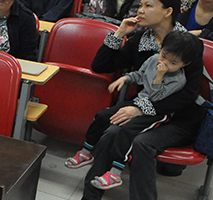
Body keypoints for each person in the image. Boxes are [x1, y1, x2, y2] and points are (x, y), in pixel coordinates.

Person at [76, 0, 203, 200]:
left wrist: (140, 108)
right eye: (140, 5)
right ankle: (91, 194)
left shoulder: (188, 45)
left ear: (168, 11)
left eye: (148, 6)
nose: (140, 11)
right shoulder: (140, 40)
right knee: (112, 129)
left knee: (143, 142)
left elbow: (188, 95)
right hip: (143, 109)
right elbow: (100, 65)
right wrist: (120, 33)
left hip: (176, 117)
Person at [68, 31, 201, 190]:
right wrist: (125, 78)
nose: (164, 62)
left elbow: (156, 97)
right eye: (163, 55)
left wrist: (159, 77)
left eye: (173, 62)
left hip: (155, 112)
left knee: (127, 130)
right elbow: (140, 75)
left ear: (184, 64)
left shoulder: (179, 79)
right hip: (140, 102)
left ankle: (115, 172)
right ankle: (87, 150)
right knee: (104, 115)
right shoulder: (153, 59)